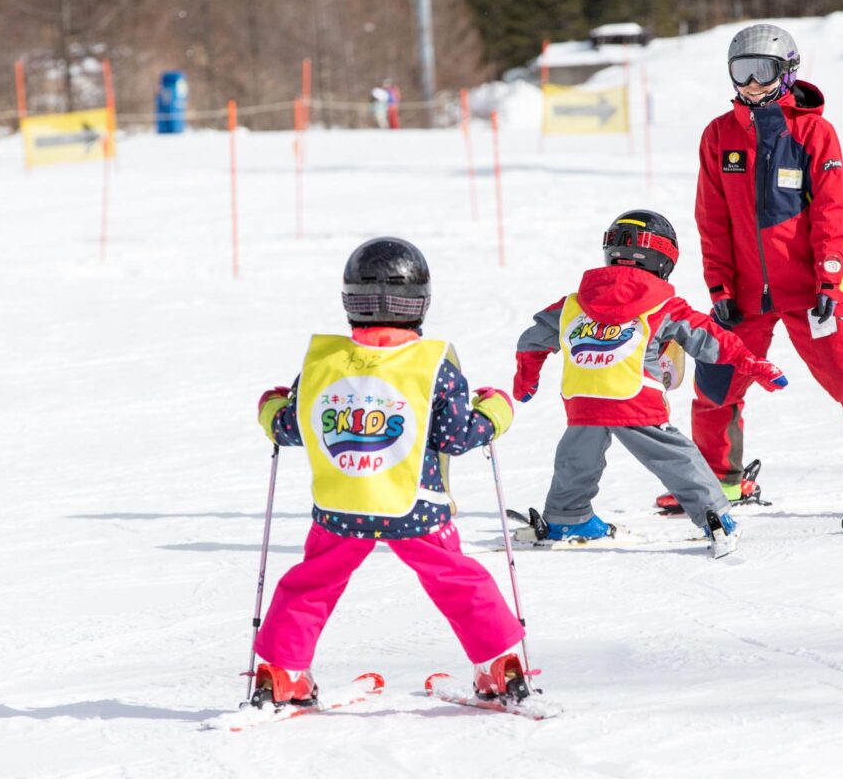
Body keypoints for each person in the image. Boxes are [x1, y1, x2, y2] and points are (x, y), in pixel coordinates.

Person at [251, 236, 534, 707]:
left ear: (350, 300)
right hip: (417, 510)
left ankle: (283, 672)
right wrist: (496, 412)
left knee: (312, 582)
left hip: (342, 508)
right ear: (420, 302)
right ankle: (499, 666)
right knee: (457, 580)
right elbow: (456, 437)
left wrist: (271, 406)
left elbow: (289, 427)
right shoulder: (433, 365)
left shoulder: (323, 363)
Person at [690, 23, 843, 510]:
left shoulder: (813, 132)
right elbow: (712, 219)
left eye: (763, 71)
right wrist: (719, 287)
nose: (751, 83)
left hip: (810, 287)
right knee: (716, 383)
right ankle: (722, 480)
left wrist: (828, 280)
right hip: (744, 294)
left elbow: (831, 213)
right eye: (741, 72)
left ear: (787, 72)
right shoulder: (719, 136)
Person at [512, 210, 788, 557]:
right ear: (664, 260)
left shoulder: (573, 303)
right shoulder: (663, 304)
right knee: (676, 458)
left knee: (577, 457)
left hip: (582, 399)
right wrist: (751, 363)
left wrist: (526, 379)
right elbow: (707, 336)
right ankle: (714, 516)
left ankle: (568, 515)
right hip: (634, 399)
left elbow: (531, 341)